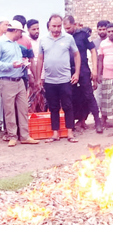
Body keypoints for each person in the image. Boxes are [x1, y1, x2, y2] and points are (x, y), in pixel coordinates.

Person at [0, 20, 40, 147]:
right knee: (9, 110)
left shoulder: (15, 44)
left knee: (23, 109)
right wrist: (10, 65)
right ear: (16, 31)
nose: (21, 35)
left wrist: (23, 64)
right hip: (6, 80)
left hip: (19, 80)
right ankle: (12, 135)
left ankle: (24, 136)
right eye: (20, 32)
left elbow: (16, 61)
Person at [36, 14, 80, 143]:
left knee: (68, 106)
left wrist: (76, 73)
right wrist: (39, 77)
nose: (56, 29)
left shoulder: (68, 38)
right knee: (53, 107)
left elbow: (77, 55)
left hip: (65, 79)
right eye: (53, 26)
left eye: (58, 26)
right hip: (50, 80)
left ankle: (70, 133)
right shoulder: (43, 40)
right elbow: (40, 58)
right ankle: (55, 133)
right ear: (49, 26)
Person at [63, 15, 101, 133]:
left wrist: (94, 69)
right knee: (72, 97)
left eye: (69, 28)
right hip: (68, 70)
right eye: (65, 28)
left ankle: (97, 122)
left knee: (88, 95)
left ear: (74, 25)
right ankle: (74, 123)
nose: (67, 30)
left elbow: (93, 51)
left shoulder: (83, 35)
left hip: (83, 69)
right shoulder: (63, 37)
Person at [96, 22, 113, 128]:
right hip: (106, 75)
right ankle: (104, 119)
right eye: (109, 32)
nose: (111, 33)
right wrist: (99, 74)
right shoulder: (103, 44)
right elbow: (100, 60)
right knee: (105, 98)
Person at [26, 18, 46, 113]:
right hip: (32, 75)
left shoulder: (42, 40)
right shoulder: (26, 41)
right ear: (28, 30)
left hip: (43, 74)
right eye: (34, 29)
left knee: (43, 101)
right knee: (32, 100)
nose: (36, 31)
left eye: (38, 28)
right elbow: (27, 60)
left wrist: (42, 76)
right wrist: (31, 76)